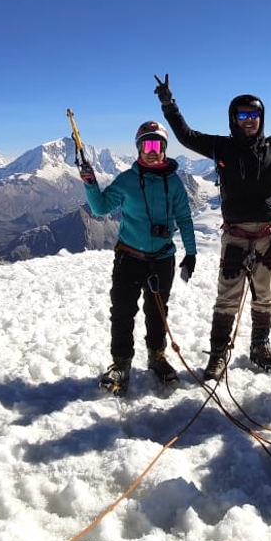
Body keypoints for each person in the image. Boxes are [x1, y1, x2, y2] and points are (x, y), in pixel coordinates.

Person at [154, 74, 271, 380]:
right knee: (228, 295)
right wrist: (169, 105)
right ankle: (218, 354)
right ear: (233, 119)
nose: (249, 120)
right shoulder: (221, 147)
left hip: (269, 233)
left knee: (264, 293)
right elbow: (187, 136)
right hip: (236, 233)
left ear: (262, 118)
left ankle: (259, 345)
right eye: (243, 115)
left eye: (254, 115)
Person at [80, 120, 198, 396]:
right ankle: (121, 363)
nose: (152, 150)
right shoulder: (127, 180)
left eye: (157, 145)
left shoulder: (174, 183)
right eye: (146, 145)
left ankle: (156, 356)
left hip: (162, 258)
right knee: (122, 312)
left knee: (157, 312)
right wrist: (90, 184)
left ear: (165, 148)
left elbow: (185, 218)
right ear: (138, 149)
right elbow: (99, 208)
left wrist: (191, 253)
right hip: (129, 257)